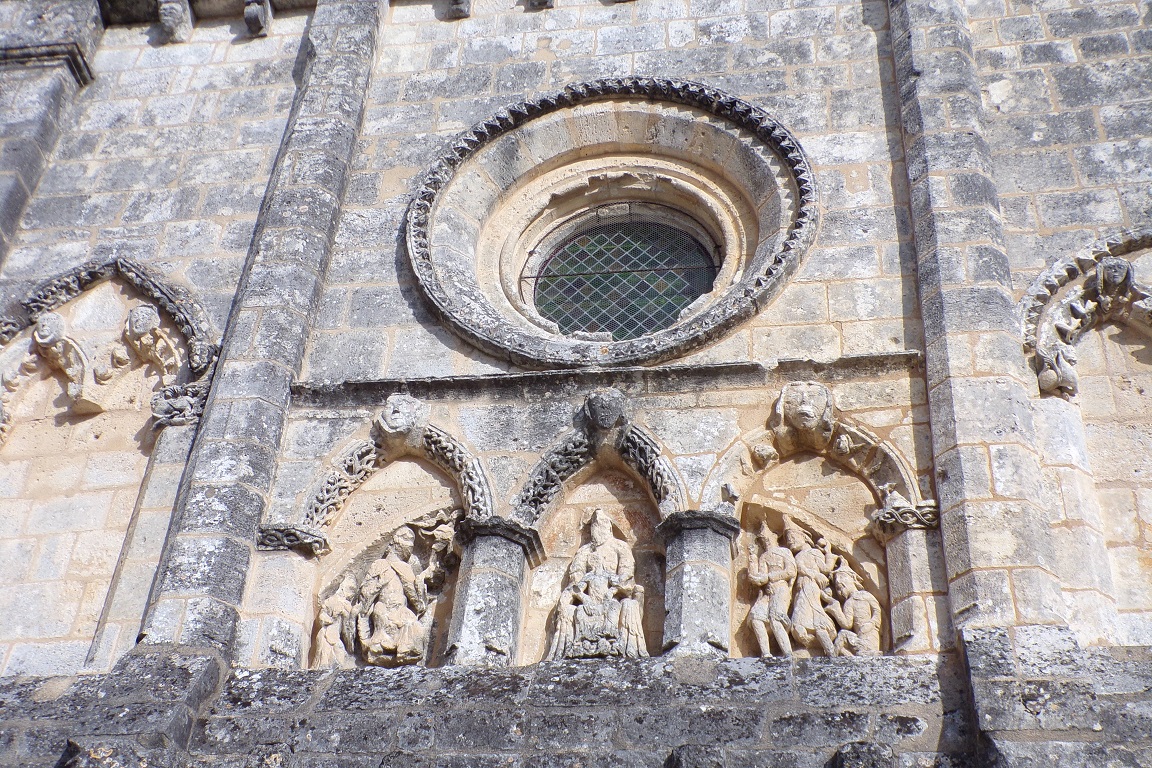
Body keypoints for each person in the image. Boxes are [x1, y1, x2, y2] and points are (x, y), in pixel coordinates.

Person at [550, 508, 648, 659]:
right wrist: (582, 596)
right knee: (570, 608)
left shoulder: (619, 546)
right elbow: (576, 576)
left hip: (612, 599)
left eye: (601, 523)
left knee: (623, 606)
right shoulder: (585, 551)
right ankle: (575, 645)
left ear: (609, 527)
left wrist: (613, 589)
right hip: (589, 600)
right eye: (594, 525)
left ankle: (616, 643)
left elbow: (627, 572)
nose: (597, 527)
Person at [356, 527, 429, 666]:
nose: (410, 546)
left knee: (414, 627)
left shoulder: (406, 568)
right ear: (396, 542)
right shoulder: (380, 564)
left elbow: (415, 600)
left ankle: (403, 652)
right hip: (383, 608)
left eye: (412, 541)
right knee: (383, 623)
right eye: (407, 540)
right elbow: (365, 592)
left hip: (401, 611)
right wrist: (380, 583)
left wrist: (420, 591)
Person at [783, 518, 838, 657]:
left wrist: (829, 553)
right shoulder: (804, 554)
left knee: (803, 619)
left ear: (805, 538)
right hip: (803, 588)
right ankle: (816, 649)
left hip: (809, 587)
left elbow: (824, 569)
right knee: (805, 619)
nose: (790, 541)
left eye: (793, 537)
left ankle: (829, 650)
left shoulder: (810, 553)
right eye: (789, 538)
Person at [747, 522, 796, 658]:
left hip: (781, 589)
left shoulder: (784, 552)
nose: (765, 541)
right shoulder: (763, 557)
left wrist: (769, 577)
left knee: (775, 619)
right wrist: (752, 558)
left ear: (775, 537)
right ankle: (766, 653)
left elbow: (791, 571)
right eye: (762, 540)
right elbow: (759, 577)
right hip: (768, 593)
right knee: (756, 616)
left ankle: (788, 654)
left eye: (767, 538)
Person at [823, 560, 882, 656]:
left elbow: (877, 611)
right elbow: (847, 624)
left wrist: (872, 623)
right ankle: (840, 657)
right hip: (859, 638)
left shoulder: (866, 595)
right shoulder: (848, 602)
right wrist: (836, 610)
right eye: (838, 587)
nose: (839, 582)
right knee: (842, 643)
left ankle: (832, 657)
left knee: (842, 634)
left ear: (853, 579)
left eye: (843, 577)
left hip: (870, 636)